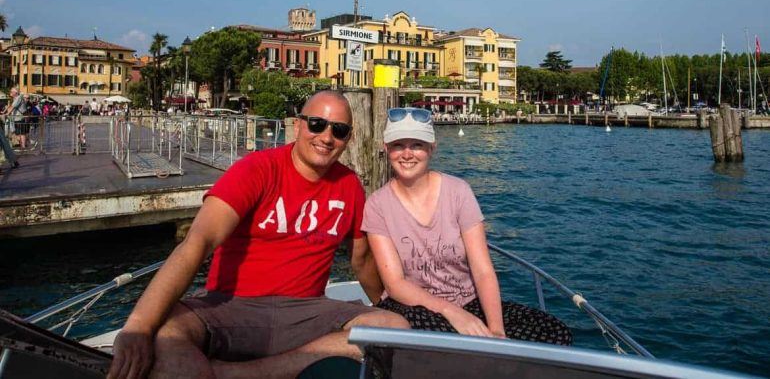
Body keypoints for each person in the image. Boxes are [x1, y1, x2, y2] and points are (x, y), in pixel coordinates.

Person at [108, 91, 408, 379]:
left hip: (305, 312)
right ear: (298, 124)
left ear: (348, 138)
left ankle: (230, 374)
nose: (326, 137)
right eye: (317, 124)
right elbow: (197, 243)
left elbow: (363, 259)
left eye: (339, 130)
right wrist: (138, 327)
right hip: (231, 307)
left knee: (394, 328)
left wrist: (385, 304)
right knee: (169, 333)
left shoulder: (349, 185)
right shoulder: (255, 170)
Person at [362, 107, 572, 345]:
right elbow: (395, 284)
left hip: (468, 303)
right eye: (399, 145)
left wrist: (496, 332)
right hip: (413, 307)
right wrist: (451, 312)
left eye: (417, 145)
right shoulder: (377, 205)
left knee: (556, 332)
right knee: (431, 333)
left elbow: (482, 269)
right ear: (386, 148)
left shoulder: (458, 191)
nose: (407, 154)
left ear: (432, 148)